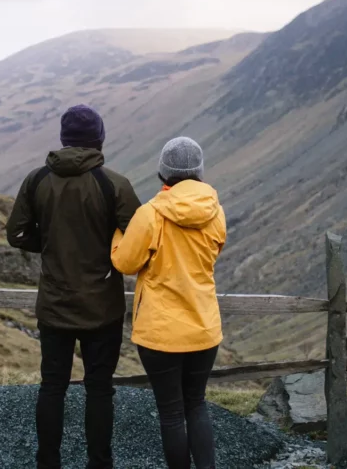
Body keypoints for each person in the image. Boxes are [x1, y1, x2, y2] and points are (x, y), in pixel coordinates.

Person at [7, 104, 142, 469]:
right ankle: (100, 463)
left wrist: (48, 243)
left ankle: (47, 463)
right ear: (98, 138)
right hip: (103, 307)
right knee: (100, 389)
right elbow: (140, 239)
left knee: (52, 387)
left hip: (54, 305)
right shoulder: (114, 184)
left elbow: (17, 234)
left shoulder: (36, 180)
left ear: (64, 138)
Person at [111, 136, 226, 469]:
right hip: (204, 328)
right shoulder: (216, 212)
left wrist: (118, 234)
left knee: (172, 412)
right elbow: (214, 250)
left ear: (164, 173)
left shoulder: (151, 215)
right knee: (197, 404)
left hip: (161, 334)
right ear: (199, 172)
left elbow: (125, 263)